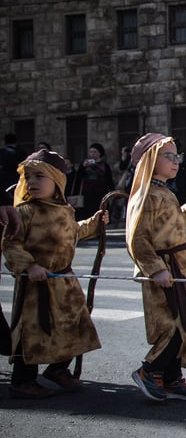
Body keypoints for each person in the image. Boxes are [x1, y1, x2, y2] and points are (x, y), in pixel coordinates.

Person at [125, 133, 186, 402]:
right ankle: (149, 371)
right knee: (174, 326)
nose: (175, 161)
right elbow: (137, 238)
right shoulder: (145, 195)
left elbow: (179, 221)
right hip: (163, 270)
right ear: (150, 161)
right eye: (167, 156)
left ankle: (171, 377)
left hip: (178, 266)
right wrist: (155, 269)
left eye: (175, 155)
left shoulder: (164, 192)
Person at [3, 150, 105, 398]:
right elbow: (10, 245)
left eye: (40, 176)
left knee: (74, 326)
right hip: (35, 285)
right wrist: (29, 266)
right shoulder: (25, 211)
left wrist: (95, 222)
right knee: (32, 332)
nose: (32, 182)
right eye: (28, 177)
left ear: (57, 180)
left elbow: (73, 232)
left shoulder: (65, 210)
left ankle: (58, 369)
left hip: (64, 282)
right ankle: (23, 380)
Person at [78, 143, 115, 218]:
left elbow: (109, 179)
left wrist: (112, 191)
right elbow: (79, 176)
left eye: (94, 152)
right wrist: (83, 167)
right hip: (88, 192)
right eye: (91, 152)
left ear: (99, 153)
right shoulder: (85, 164)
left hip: (100, 191)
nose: (92, 154)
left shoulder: (104, 165)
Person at [1, 133, 19, 205]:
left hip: (3, 183)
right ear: (16, 142)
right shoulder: (21, 152)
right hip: (16, 182)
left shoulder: (1, 152)